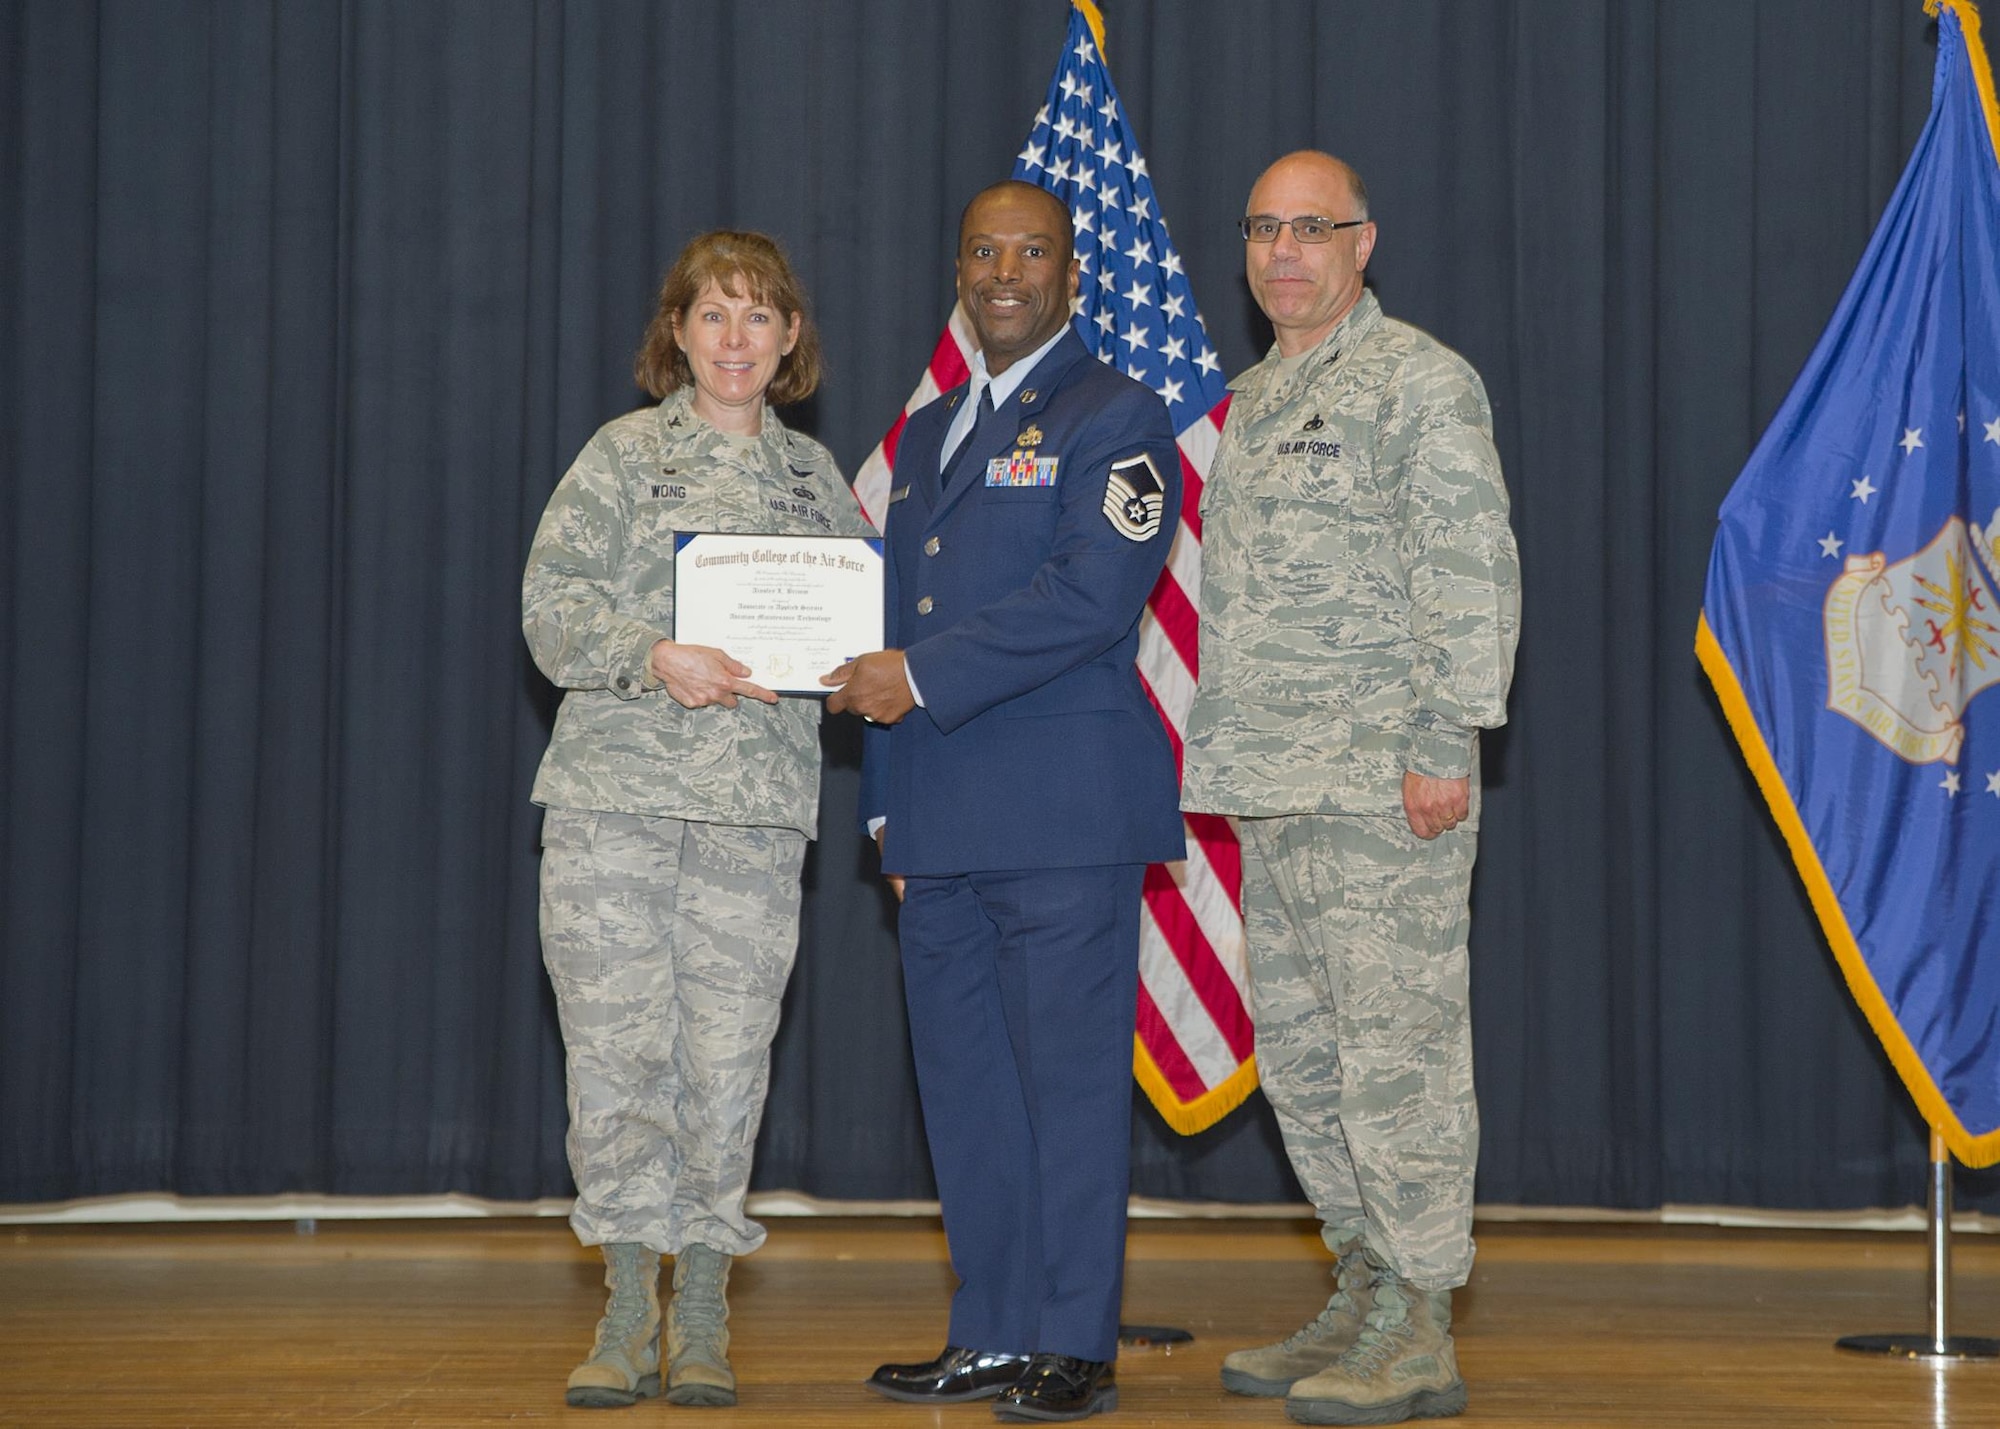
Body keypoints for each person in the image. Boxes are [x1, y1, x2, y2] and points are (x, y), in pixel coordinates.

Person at [820, 179, 1183, 1424]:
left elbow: (1091, 597)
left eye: (1032, 250)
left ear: (1071, 275)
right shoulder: (922, 440)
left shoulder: (1118, 416)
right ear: (958, 268)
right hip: (938, 818)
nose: (1005, 270)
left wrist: (910, 679)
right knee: (965, 1086)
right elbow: (887, 626)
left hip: (1063, 817)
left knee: (1067, 1085)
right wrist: (883, 812)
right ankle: (989, 1327)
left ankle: (1071, 1341)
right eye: (983, 250)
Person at [1179, 152, 1521, 1426]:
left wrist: (1443, 738)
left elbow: (1469, 571)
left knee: (1399, 1063)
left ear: (1361, 243)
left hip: (1387, 788)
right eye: (1262, 228)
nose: (1282, 252)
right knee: (1308, 1065)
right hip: (1275, 786)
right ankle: (1366, 1279)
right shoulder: (1253, 395)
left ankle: (1422, 1318)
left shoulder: (1417, 384)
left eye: (1309, 230)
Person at [521, 230, 873, 1410]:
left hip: (751, 818)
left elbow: (852, 647)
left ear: (789, 342)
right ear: (676, 333)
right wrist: (649, 651)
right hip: (613, 806)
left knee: (725, 1063)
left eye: (757, 316)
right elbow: (548, 611)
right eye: (711, 314)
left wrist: (845, 661)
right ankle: (627, 1304)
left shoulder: (817, 486)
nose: (734, 338)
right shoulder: (621, 459)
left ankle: (705, 1304)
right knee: (616, 1058)